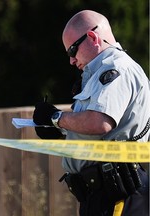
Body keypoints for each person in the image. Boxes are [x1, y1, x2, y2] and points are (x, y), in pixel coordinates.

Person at [33, 10, 150, 216]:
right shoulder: (99, 74)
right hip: (102, 193)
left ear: (93, 38)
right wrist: (61, 132)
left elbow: (100, 123)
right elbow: (102, 134)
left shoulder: (117, 68)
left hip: (118, 194)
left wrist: (56, 118)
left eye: (72, 51)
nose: (71, 60)